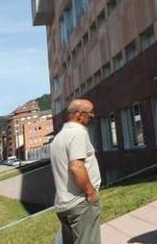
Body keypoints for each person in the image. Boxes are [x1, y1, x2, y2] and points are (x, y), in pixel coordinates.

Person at [51, 99, 102, 244]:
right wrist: (91, 192)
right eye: (90, 112)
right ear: (79, 114)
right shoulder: (78, 133)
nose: (92, 115)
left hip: (64, 206)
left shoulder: (58, 138)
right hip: (80, 204)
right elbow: (76, 167)